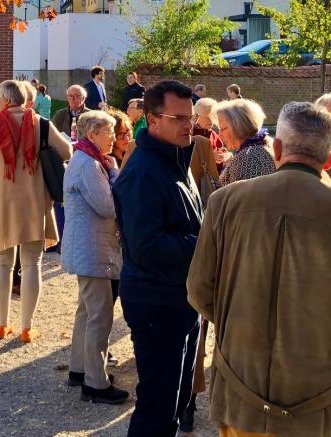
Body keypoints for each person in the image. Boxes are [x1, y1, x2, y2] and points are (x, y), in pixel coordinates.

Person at [188, 101, 331, 437]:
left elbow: (199, 291)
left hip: (242, 392)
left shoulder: (225, 202)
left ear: (276, 149)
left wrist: (244, 329)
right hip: (324, 403)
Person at [112, 80, 204, 435]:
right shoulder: (144, 171)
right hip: (157, 301)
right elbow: (146, 246)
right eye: (178, 118)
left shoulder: (176, 158)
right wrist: (207, 243)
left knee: (176, 400)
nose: (188, 125)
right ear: (152, 120)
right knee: (157, 406)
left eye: (190, 117)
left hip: (181, 297)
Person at [0, 80, 72, 341]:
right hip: (34, 201)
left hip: (1, 200)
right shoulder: (41, 122)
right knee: (32, 265)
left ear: (7, 100)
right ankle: (27, 328)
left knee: (2, 264)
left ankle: (2, 324)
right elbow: (67, 151)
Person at [61, 110, 128, 404]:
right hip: (92, 249)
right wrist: (115, 173)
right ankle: (95, 383)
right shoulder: (89, 164)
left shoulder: (88, 159)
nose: (113, 137)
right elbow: (108, 207)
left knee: (87, 312)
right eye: (109, 131)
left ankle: (80, 370)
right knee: (99, 316)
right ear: (92, 134)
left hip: (89, 248)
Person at [216, 99, 274, 186]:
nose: (219, 135)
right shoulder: (263, 145)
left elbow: (238, 194)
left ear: (237, 127)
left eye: (222, 129)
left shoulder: (247, 159)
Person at [192, 97, 227, 172]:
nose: (211, 120)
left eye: (213, 117)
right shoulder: (190, 134)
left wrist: (223, 155)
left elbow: (221, 152)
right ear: (197, 116)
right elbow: (188, 159)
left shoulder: (214, 134)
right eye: (208, 117)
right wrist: (210, 158)